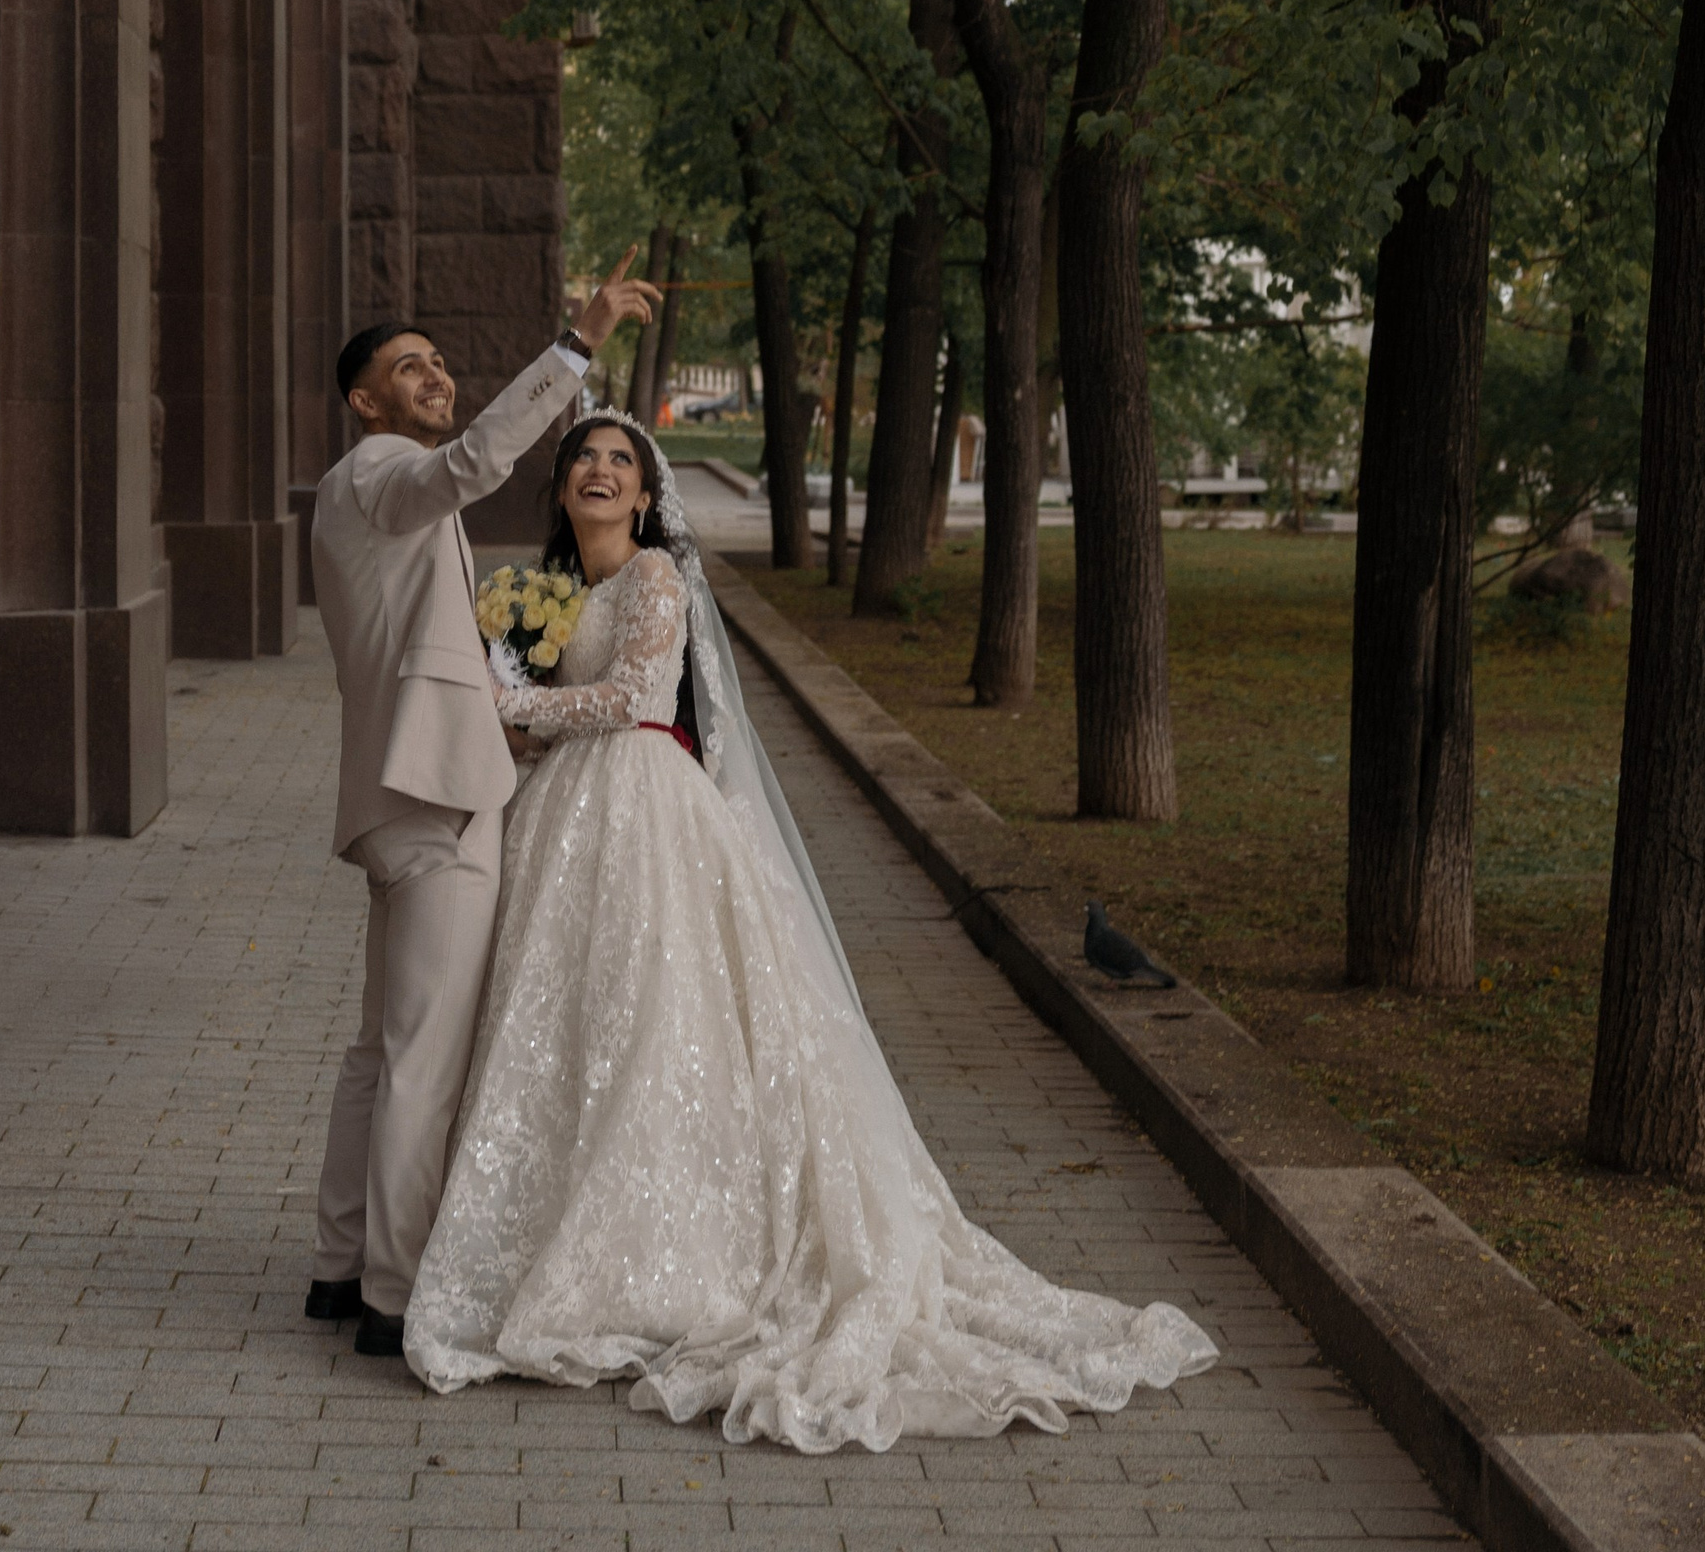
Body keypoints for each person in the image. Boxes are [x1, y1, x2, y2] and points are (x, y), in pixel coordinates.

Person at [401, 414, 1219, 1451]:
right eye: (583, 462)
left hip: (649, 806)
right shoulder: (551, 594)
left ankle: (664, 1261)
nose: (600, 472)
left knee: (658, 1022)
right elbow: (551, 714)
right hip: (566, 818)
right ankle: (551, 1230)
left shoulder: (655, 580)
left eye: (621, 463)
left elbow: (635, 697)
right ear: (560, 491)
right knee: (567, 1027)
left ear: (647, 499)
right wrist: (514, 703)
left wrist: (513, 700)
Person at [305, 255, 662, 1358]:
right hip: (439, 806)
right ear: (365, 401)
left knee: (379, 1047)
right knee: (423, 1055)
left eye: (439, 362)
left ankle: (338, 1261)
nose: (434, 376)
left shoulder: (376, 492)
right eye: (408, 367)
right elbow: (469, 464)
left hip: (408, 791)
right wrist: (579, 342)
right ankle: (394, 1297)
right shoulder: (377, 473)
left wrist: (502, 708)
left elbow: (431, 646)